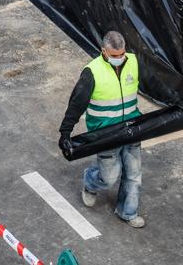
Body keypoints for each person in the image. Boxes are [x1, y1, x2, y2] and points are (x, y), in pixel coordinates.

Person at [59, 31, 145, 228]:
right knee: (109, 178)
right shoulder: (92, 72)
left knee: (133, 174)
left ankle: (127, 212)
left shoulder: (133, 61)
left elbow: (153, 83)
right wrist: (65, 132)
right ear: (103, 51)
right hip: (105, 134)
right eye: (114, 55)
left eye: (122, 53)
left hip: (131, 128)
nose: (120, 58)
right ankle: (90, 183)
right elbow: (76, 104)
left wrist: (176, 98)